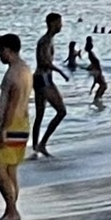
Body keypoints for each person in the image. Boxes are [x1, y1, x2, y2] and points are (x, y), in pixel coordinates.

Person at [0, 32, 32, 220]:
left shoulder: (13, 73)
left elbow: (12, 104)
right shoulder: (25, 69)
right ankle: (11, 209)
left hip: (12, 124)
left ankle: (12, 210)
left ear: (8, 50)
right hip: (22, 124)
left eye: (1, 50)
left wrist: (3, 130)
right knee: (11, 168)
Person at [31, 12, 67, 157]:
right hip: (44, 78)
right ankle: (41, 144)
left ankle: (36, 147)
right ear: (52, 23)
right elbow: (44, 62)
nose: (61, 26)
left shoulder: (48, 40)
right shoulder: (45, 41)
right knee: (61, 111)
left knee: (40, 115)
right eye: (59, 23)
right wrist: (60, 71)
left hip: (41, 78)